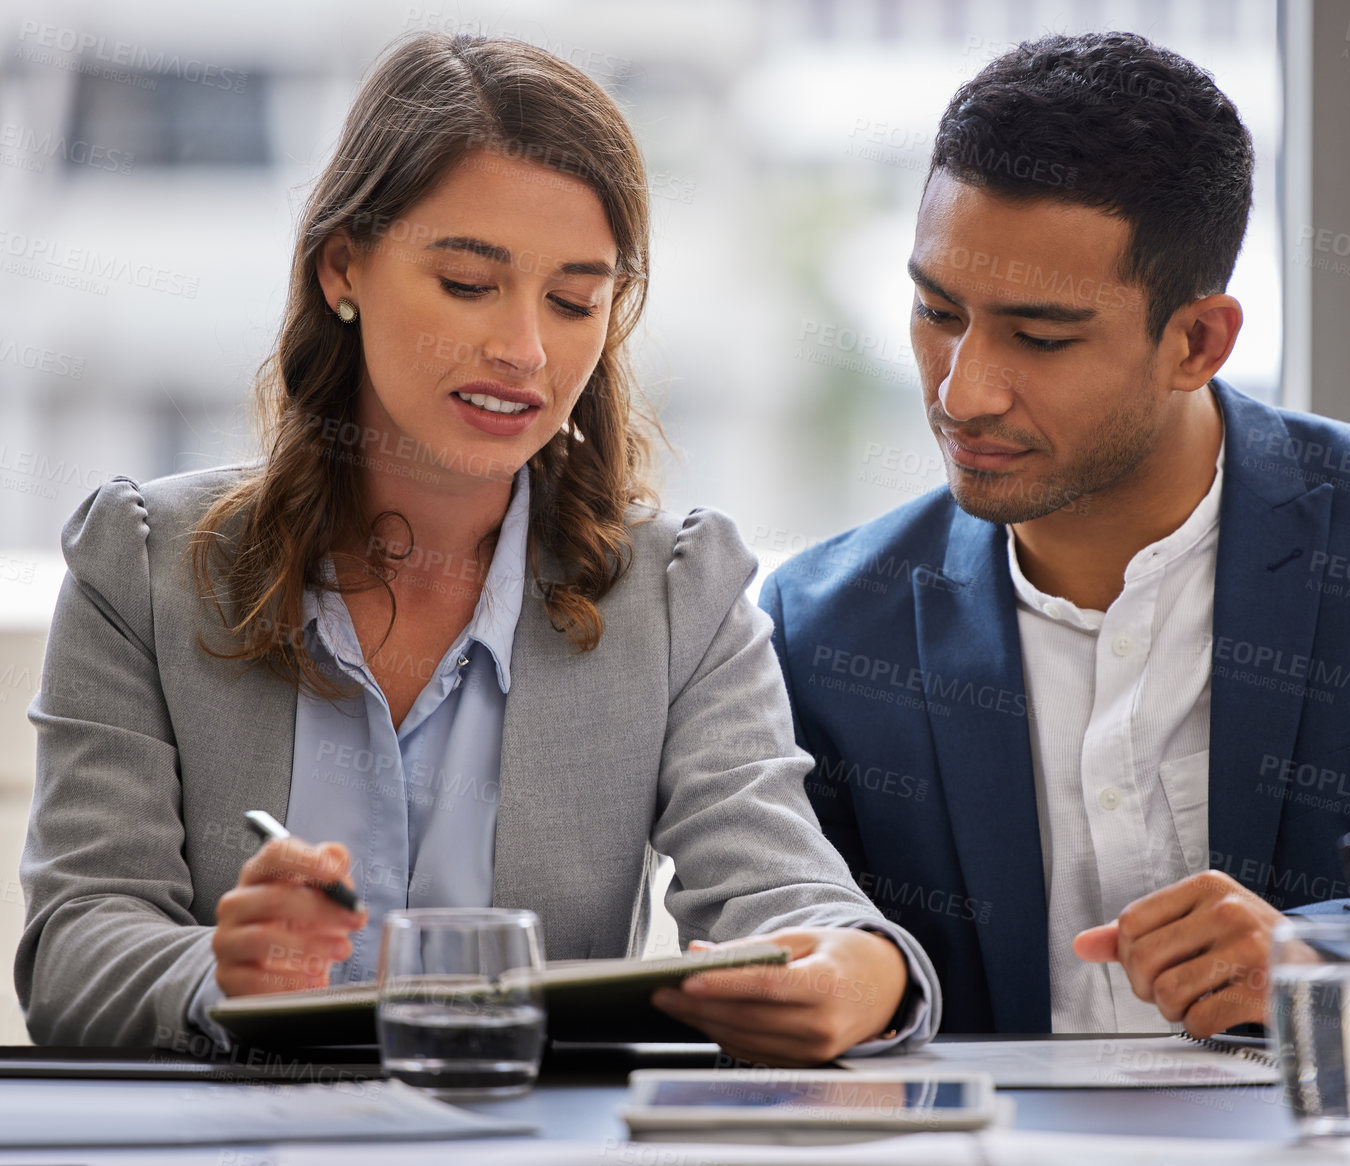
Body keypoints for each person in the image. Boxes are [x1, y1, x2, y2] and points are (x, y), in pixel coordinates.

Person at [15, 32, 937, 1066]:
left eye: (574, 299)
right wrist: (218, 971)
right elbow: (73, 950)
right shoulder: (138, 564)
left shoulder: (680, 592)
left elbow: (788, 891)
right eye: (466, 282)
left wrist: (869, 971)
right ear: (341, 267)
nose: (525, 351)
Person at [761, 32, 1350, 1039]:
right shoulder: (823, 626)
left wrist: (1335, 961)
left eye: (1040, 338)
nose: (962, 389)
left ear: (1198, 341)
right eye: (935, 310)